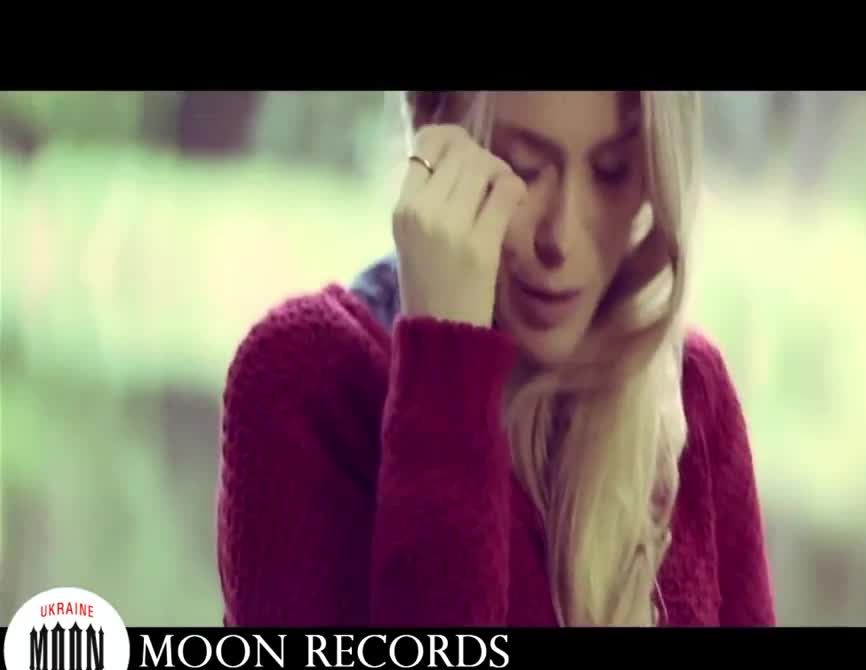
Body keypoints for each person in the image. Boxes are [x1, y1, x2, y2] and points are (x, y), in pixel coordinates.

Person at [215, 90, 775, 627]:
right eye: (523, 169)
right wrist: (446, 357)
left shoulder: (691, 394)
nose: (560, 238)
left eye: (612, 171)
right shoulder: (307, 382)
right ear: (430, 123)